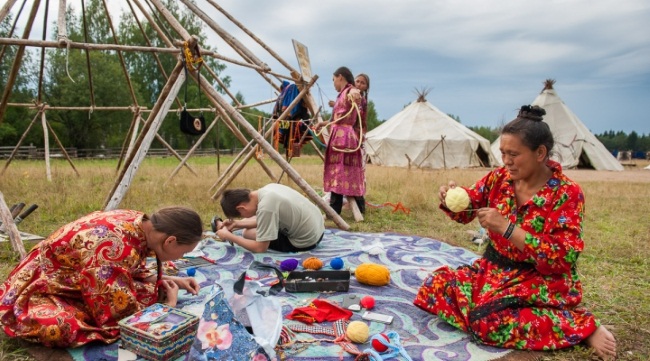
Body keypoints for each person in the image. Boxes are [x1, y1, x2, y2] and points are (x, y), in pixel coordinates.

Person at [413, 105, 616, 360]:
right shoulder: (500, 179)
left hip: (537, 279)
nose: (506, 161)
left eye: (514, 154)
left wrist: (507, 229)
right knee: (436, 286)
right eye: (503, 153)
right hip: (494, 271)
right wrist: (453, 197)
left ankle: (581, 326)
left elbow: (562, 257)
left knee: (489, 322)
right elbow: (468, 209)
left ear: (540, 153)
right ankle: (490, 309)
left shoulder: (566, 193)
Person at [0, 207, 203, 348]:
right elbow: (120, 317)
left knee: (150, 290)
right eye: (183, 252)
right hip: (41, 286)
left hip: (77, 275)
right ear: (170, 241)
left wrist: (170, 279)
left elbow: (128, 267)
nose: (181, 257)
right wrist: (170, 304)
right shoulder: (113, 251)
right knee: (61, 325)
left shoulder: (140, 222)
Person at [214, 183, 325, 253]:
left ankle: (224, 229)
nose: (242, 217)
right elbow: (267, 219)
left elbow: (260, 248)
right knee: (249, 223)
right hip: (318, 229)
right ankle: (229, 227)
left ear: (241, 208)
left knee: (247, 234)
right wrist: (237, 224)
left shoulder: (266, 207)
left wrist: (230, 236)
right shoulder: (268, 188)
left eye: (240, 215)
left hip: (305, 241)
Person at [317, 66, 365, 215]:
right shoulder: (341, 95)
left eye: (333, 80)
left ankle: (337, 210)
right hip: (340, 135)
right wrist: (321, 124)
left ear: (340, 77)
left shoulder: (350, 91)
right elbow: (335, 119)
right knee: (341, 171)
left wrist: (355, 93)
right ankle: (341, 208)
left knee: (341, 172)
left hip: (344, 137)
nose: (333, 83)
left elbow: (356, 93)